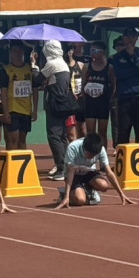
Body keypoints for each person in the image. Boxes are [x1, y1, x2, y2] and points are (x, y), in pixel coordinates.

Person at [34, 40, 79, 182]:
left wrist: (34, 65)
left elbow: (37, 80)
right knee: (62, 136)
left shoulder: (52, 64)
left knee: (54, 136)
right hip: (63, 103)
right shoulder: (62, 63)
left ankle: (61, 168)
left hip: (55, 104)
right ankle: (67, 166)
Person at [55, 133, 134, 208]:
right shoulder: (73, 147)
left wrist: (122, 194)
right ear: (84, 148)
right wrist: (67, 196)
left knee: (104, 185)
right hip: (74, 175)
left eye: (94, 155)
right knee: (80, 200)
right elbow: (70, 173)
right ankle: (64, 195)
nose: (91, 157)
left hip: (89, 172)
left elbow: (109, 173)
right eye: (89, 154)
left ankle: (87, 190)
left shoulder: (101, 149)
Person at [110, 28, 139, 144]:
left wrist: (133, 56)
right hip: (124, 97)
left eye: (132, 36)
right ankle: (123, 155)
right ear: (123, 38)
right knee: (123, 132)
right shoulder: (117, 57)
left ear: (136, 38)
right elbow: (119, 74)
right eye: (127, 36)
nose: (129, 39)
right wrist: (135, 72)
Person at [0, 41, 37, 150]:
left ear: (23, 52)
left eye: (20, 50)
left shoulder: (29, 69)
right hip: (13, 109)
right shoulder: (6, 70)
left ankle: (22, 160)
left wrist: (35, 110)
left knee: (22, 139)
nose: (17, 53)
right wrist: (5, 111)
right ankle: (12, 160)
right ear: (10, 52)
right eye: (15, 50)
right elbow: (3, 92)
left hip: (26, 109)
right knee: (13, 138)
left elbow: (35, 90)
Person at [81, 41, 114, 146]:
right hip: (90, 103)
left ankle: (102, 153)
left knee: (102, 132)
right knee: (90, 131)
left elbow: (113, 85)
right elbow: (83, 84)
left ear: (102, 52)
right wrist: (84, 97)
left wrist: (111, 99)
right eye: (91, 50)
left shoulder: (109, 67)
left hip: (103, 103)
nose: (92, 53)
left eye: (95, 50)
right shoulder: (87, 66)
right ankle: (91, 152)